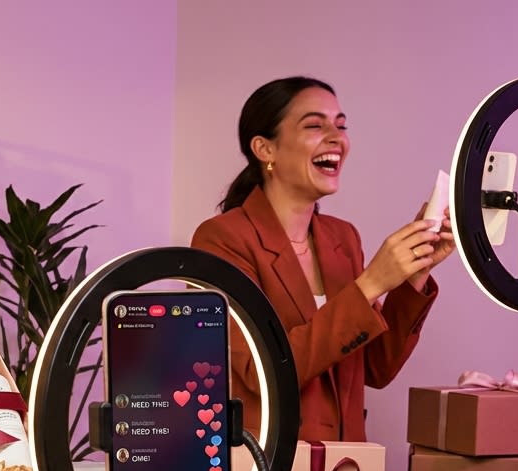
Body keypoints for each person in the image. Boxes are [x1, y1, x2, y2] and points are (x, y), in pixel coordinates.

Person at [191, 76, 454, 442]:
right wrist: (373, 283)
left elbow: (375, 368)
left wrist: (415, 272)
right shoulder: (221, 239)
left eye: (341, 125)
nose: (337, 138)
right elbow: (257, 373)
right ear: (265, 149)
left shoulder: (342, 238)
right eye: (315, 125)